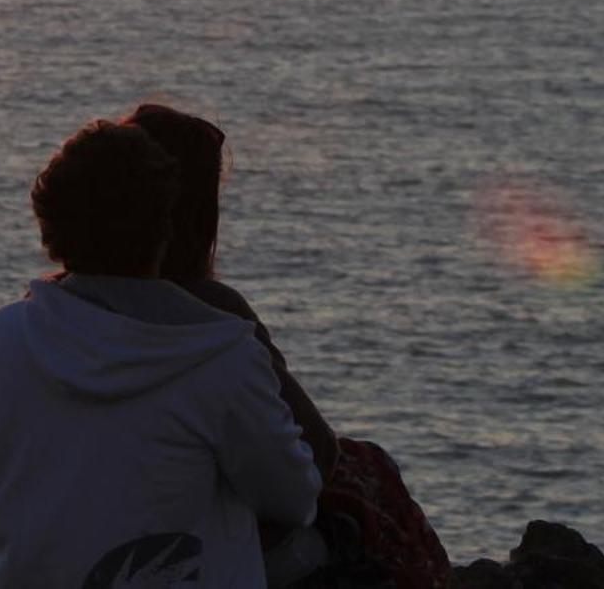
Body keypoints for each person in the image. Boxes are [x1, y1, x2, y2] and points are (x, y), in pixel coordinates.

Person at [0, 118, 322, 589]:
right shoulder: (222, 356)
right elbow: (294, 499)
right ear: (163, 227)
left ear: (51, 225)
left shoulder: (3, 338)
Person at [123, 103, 452, 589]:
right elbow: (315, 452)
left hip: (87, 534)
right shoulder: (216, 316)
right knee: (368, 478)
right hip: (190, 549)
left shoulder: (36, 317)